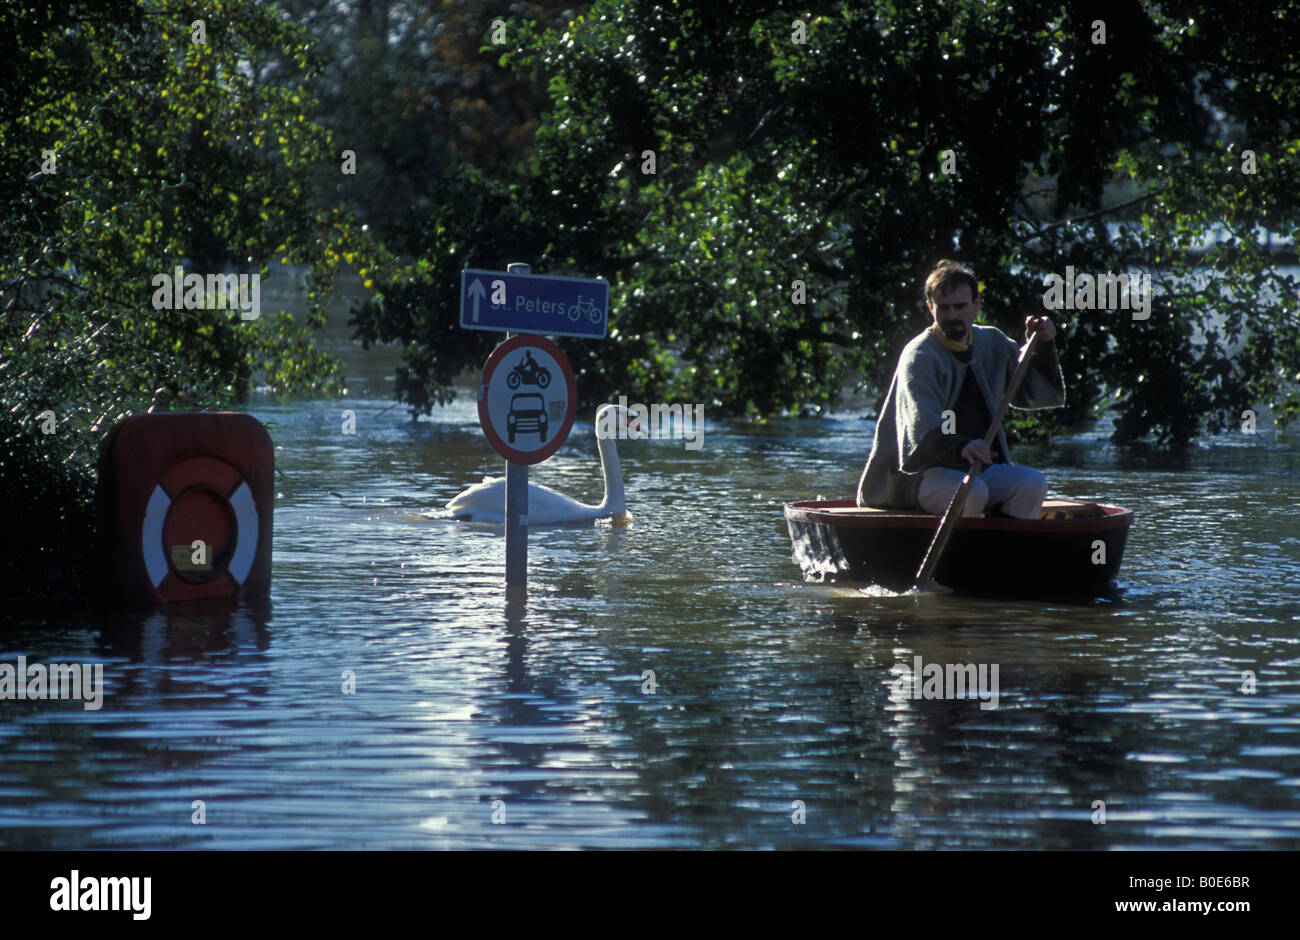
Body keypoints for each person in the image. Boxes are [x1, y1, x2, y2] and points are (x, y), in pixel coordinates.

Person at [856, 260, 1064, 519]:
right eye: (944, 308)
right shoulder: (919, 355)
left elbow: (1036, 392)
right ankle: (962, 554)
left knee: (1032, 484)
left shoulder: (993, 342)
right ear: (931, 308)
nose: (952, 315)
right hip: (923, 476)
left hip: (980, 470)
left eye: (960, 306)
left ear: (976, 305)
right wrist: (962, 447)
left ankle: (1006, 552)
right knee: (972, 492)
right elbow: (922, 430)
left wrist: (1043, 344)